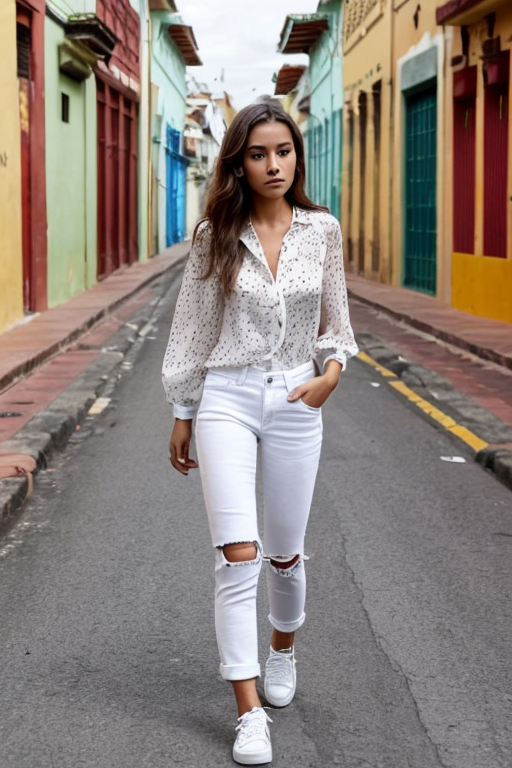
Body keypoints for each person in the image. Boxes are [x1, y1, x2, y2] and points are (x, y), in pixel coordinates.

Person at [162, 97, 358, 765]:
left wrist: (331, 372)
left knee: (284, 553)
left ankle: (283, 647)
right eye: (257, 153)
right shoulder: (213, 236)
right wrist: (183, 412)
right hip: (227, 396)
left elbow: (338, 324)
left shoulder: (322, 230)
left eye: (282, 151)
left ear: (295, 157)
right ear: (238, 164)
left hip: (299, 396)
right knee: (236, 554)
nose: (272, 164)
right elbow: (191, 329)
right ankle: (248, 713)